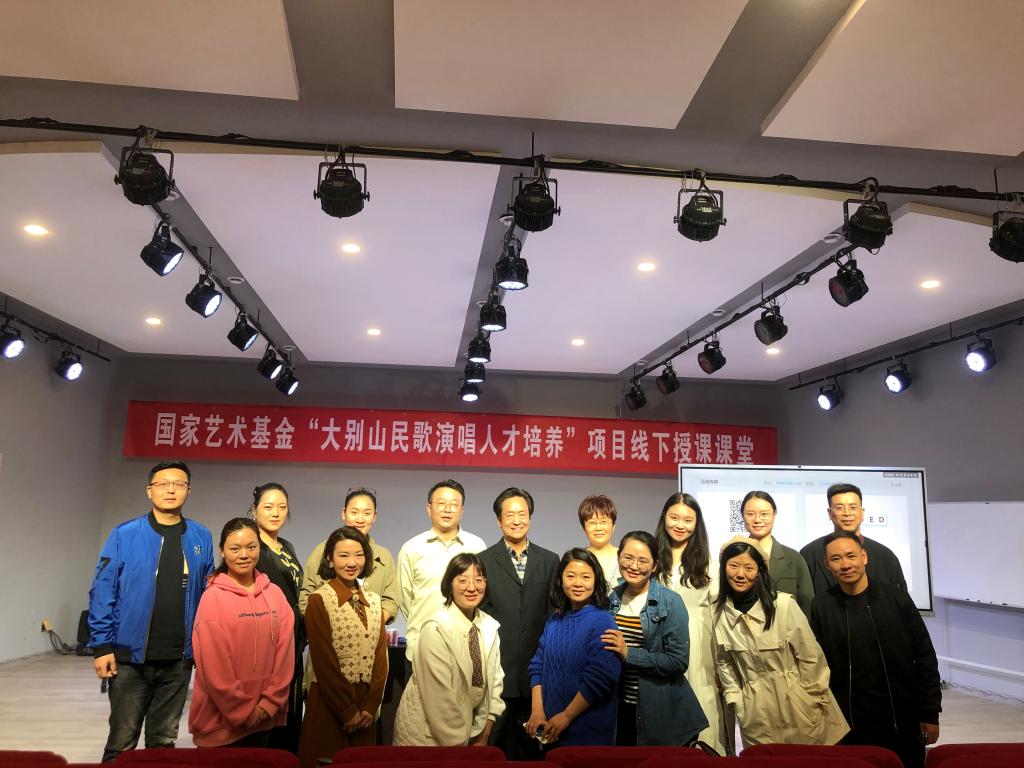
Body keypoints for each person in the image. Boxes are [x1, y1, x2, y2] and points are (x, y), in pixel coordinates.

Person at [88, 460, 215, 762]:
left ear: (188, 491)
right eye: (163, 484)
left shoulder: (201, 536)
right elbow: (103, 590)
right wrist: (101, 646)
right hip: (129, 658)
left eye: (179, 484)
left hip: (179, 660)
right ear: (149, 490)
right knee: (121, 743)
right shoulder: (125, 534)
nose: (171, 490)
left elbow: (208, 593)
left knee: (162, 744)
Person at [809, 532, 941, 768]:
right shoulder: (821, 606)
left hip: (901, 721)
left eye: (851, 556)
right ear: (827, 564)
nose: (845, 564)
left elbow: (925, 657)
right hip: (848, 725)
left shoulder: (896, 599)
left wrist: (930, 713)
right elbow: (816, 668)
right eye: (836, 559)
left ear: (864, 556)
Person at [713, 536, 849, 748]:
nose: (740, 574)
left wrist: (810, 698)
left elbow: (810, 656)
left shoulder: (783, 605)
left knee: (809, 761)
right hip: (756, 716)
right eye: (733, 566)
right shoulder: (720, 614)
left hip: (800, 709)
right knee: (765, 761)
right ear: (724, 568)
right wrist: (737, 700)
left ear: (759, 571)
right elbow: (725, 662)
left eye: (749, 568)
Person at [189, 518, 296, 748]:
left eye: (251, 547)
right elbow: (214, 667)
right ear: (222, 551)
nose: (244, 555)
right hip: (220, 725)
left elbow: (285, 655)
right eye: (235, 549)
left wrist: (269, 704)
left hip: (265, 718)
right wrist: (244, 711)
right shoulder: (212, 598)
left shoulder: (275, 594)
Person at [604, 531, 708, 746]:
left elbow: (677, 661)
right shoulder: (611, 599)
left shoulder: (669, 601)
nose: (634, 566)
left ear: (654, 566)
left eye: (643, 561)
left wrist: (629, 653)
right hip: (620, 708)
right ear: (619, 557)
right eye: (628, 557)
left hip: (660, 711)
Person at [478, 487, 559, 759]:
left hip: (535, 677)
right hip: (496, 672)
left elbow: (552, 615)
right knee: (493, 751)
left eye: (522, 514)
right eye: (509, 515)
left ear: (530, 518)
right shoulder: (483, 561)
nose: (516, 520)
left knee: (532, 752)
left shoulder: (550, 560)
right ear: (499, 520)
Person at [299, 526, 388, 767]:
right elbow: (324, 662)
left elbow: (380, 657)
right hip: (330, 702)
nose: (352, 562)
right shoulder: (319, 600)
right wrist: (347, 711)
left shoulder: (373, 601)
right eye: (343, 555)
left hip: (365, 708)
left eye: (359, 555)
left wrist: (370, 706)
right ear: (330, 559)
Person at [393, 553, 504, 746]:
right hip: (426, 735)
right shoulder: (436, 628)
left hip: (466, 731)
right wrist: (461, 749)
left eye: (478, 580)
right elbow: (440, 700)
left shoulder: (489, 626)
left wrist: (484, 733)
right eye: (462, 580)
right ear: (449, 584)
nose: (472, 587)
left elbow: (494, 683)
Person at [653, 492, 727, 754]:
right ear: (664, 517)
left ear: (697, 524)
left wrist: (722, 661)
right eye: (674, 517)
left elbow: (719, 613)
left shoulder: (709, 562)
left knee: (701, 702)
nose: (680, 525)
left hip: (698, 643)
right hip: (656, 641)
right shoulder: (652, 556)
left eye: (688, 520)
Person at [525, 548, 622, 747]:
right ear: (561, 580)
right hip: (550, 730)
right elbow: (537, 666)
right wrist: (537, 711)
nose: (577, 583)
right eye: (570, 576)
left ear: (596, 581)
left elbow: (599, 680)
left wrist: (567, 716)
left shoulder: (603, 621)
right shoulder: (555, 620)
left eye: (586, 577)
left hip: (588, 733)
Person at [397, 479, 485, 674]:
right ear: (429, 508)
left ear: (461, 510)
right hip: (421, 651)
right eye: (441, 503)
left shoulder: (477, 546)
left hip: (464, 651)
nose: (447, 509)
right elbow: (405, 600)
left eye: (454, 504)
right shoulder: (412, 548)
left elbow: (481, 594)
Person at [251, 483, 304, 752]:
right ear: (254, 510)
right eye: (268, 507)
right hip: (266, 638)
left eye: (282, 507)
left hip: (293, 637)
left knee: (291, 710)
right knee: (268, 711)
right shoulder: (252, 547)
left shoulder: (286, 546)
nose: (276, 513)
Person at [299, 487, 397, 621]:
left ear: (374, 516)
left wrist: (371, 625)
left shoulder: (384, 556)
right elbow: (306, 599)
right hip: (328, 630)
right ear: (344, 513)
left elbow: (390, 601)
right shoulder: (322, 550)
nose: (360, 519)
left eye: (367, 513)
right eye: (354, 512)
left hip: (372, 631)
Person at [800, 483, 907, 596]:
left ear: (862, 513)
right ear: (830, 513)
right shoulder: (810, 554)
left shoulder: (885, 556)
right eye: (839, 508)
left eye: (853, 507)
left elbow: (901, 600)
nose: (847, 513)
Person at [741, 490, 814, 613]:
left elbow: (807, 604)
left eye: (764, 514)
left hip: (785, 624)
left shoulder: (794, 558)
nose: (757, 520)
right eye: (750, 514)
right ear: (743, 516)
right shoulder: (733, 557)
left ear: (774, 514)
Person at [578, 495, 620, 588]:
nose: (598, 528)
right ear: (584, 528)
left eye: (603, 522)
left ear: (613, 526)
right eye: (592, 523)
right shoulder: (577, 559)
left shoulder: (624, 558)